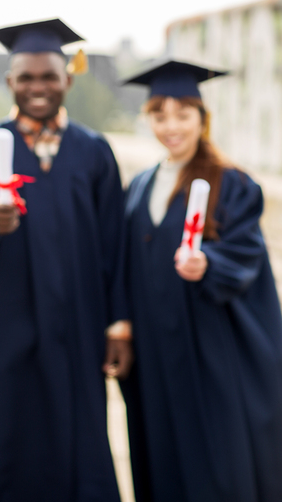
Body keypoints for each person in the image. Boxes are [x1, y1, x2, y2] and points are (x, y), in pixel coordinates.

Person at [0, 18, 130, 502]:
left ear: (68, 78)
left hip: (77, 329)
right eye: (26, 77)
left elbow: (114, 241)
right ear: (10, 82)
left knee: (77, 436)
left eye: (49, 76)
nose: (37, 87)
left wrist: (118, 325)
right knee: (7, 439)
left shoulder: (93, 151)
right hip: (3, 328)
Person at [119, 60, 282, 502]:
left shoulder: (232, 183)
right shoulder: (140, 186)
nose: (171, 126)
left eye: (183, 114)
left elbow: (247, 252)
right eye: (159, 114)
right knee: (164, 457)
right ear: (147, 117)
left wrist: (208, 263)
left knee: (217, 465)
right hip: (157, 351)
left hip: (209, 349)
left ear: (202, 118)